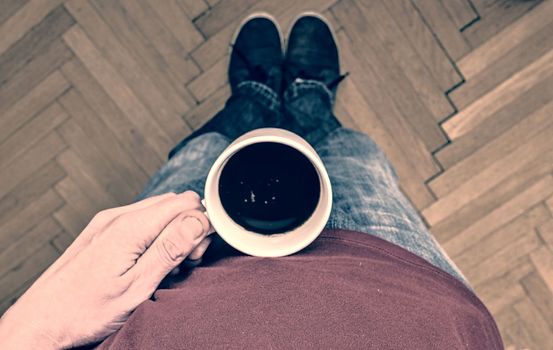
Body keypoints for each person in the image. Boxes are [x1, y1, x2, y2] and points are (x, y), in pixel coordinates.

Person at [0, 13, 502, 349]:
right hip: (396, 280)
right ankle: (309, 103)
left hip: (170, 283)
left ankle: (253, 99)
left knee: (199, 153)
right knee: (356, 155)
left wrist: (30, 330)